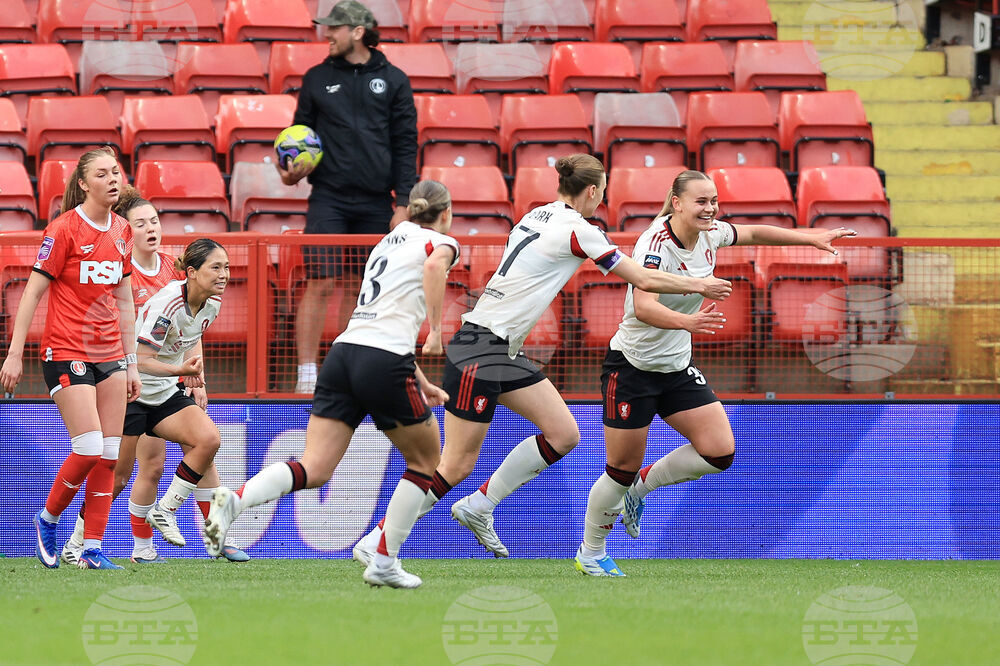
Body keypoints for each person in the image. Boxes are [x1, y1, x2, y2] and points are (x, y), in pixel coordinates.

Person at [350, 154, 734, 563]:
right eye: (602, 192)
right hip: (480, 346)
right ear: (592, 191)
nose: (602, 199)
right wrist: (698, 284)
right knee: (456, 463)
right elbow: (642, 278)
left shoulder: (536, 215)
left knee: (564, 433)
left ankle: (481, 505)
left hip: (500, 347)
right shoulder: (581, 230)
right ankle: (378, 541)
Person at [575, 169, 857, 576]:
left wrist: (809, 238)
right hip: (632, 367)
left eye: (714, 201)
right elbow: (644, 307)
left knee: (719, 451)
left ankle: (643, 486)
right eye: (701, 202)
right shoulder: (655, 244)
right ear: (677, 203)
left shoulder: (711, 233)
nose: (710, 209)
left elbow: (756, 234)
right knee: (618, 468)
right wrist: (691, 312)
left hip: (675, 367)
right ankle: (591, 551)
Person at [204, 180, 459, 589]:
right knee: (427, 463)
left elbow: (381, 317)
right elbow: (431, 270)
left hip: (343, 354)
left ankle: (235, 501)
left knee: (315, 467)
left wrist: (419, 378)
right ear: (446, 213)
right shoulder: (441, 242)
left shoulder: (387, 242)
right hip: (384, 359)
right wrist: (435, 331)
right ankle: (383, 561)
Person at [59, 191, 250, 565]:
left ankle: (216, 539)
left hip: (167, 382)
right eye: (141, 222)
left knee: (204, 448)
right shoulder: (115, 267)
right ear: (124, 229)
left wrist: (198, 381)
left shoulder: (176, 270)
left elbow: (191, 332)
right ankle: (89, 542)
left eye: (155, 221)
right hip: (127, 382)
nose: (151, 228)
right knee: (129, 472)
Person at [1, 146, 141, 570]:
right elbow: (32, 293)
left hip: (112, 354)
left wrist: (131, 360)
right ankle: (47, 519)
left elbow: (125, 301)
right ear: (83, 184)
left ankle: (92, 548)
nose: (113, 179)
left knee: (110, 454)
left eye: (116, 171)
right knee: (89, 446)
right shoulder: (63, 230)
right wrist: (13, 354)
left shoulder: (122, 230)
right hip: (65, 350)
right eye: (102, 174)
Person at [282, 0, 418, 394]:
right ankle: (307, 373)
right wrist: (290, 172)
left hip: (378, 201)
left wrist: (403, 203)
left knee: (362, 285)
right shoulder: (315, 77)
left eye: (334, 29)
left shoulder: (394, 80)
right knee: (321, 281)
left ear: (357, 31)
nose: (328, 35)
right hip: (329, 197)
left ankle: (345, 366)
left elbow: (406, 143)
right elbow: (298, 137)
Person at [110, 238, 234, 557]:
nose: (224, 274)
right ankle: (80, 540)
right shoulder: (167, 305)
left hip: (166, 393)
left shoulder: (213, 303)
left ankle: (168, 511)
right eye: (216, 267)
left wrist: (194, 371)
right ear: (191, 272)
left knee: (208, 440)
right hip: (132, 392)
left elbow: (190, 336)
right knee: (119, 477)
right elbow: (141, 359)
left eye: (227, 267)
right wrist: (181, 369)